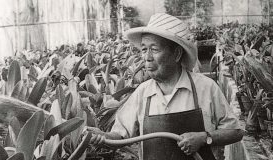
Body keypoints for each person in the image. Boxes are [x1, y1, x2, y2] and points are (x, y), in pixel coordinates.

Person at [88, 13, 243, 160]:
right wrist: (103, 136)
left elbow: (235, 132)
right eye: (143, 49)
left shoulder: (206, 87)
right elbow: (120, 135)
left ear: (176, 54)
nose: (147, 58)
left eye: (154, 49)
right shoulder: (142, 93)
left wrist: (204, 138)